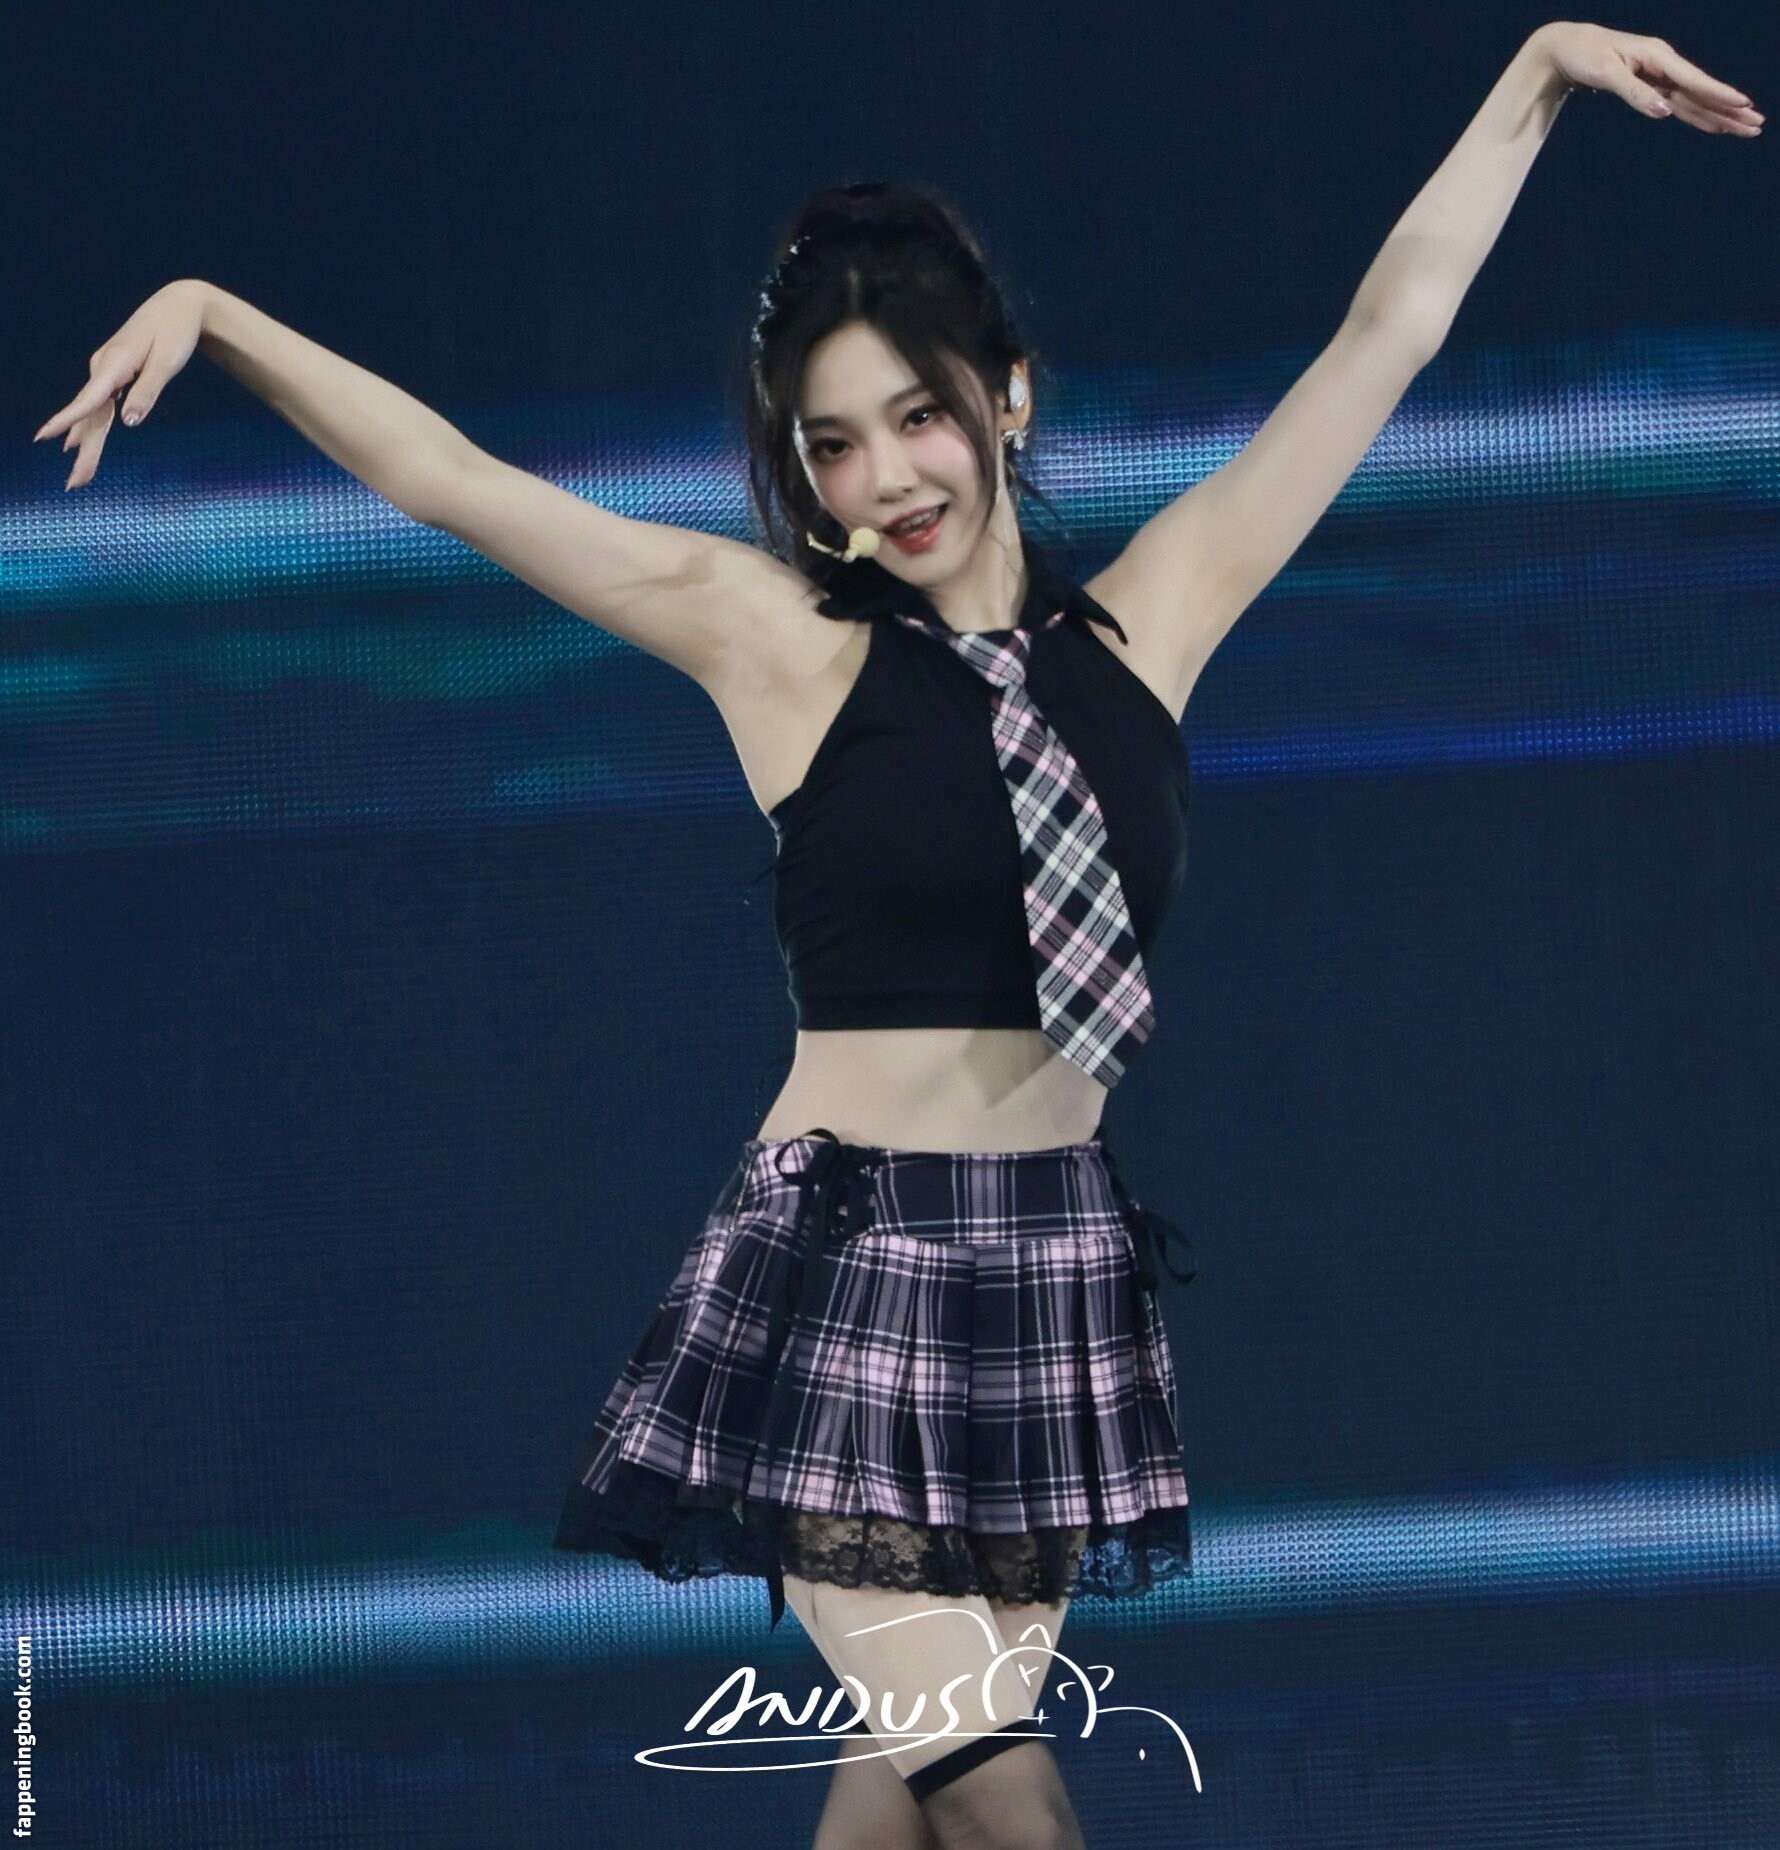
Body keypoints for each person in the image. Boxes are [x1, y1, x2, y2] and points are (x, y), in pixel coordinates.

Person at [35, 31, 1757, 1846]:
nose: (886, 477)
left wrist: (1538, 74)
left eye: (918, 415)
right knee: (1011, 1810)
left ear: (1005, 395)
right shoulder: (776, 640)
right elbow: (457, 478)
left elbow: (1385, 335)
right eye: (833, 444)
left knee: (892, 1815)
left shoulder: (1154, 619)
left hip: (1052, 1280)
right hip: (847, 1278)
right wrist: (215, 313)